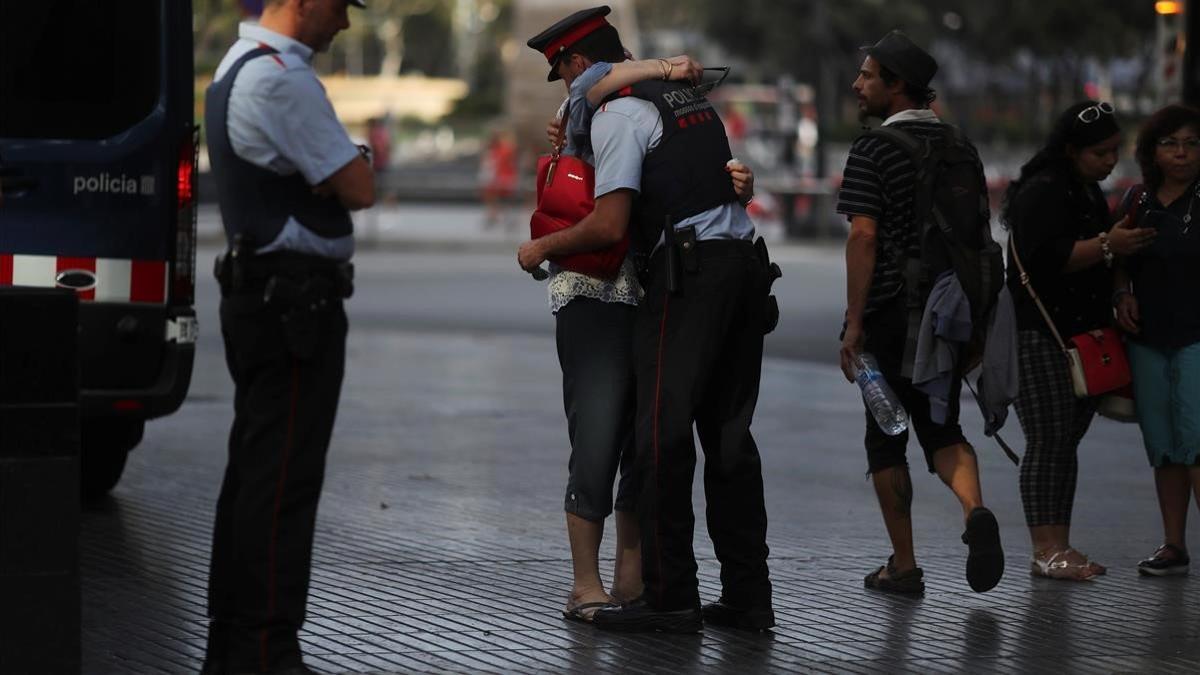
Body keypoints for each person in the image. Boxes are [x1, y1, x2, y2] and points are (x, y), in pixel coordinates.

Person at [520, 5, 774, 634]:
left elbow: (609, 224)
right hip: (744, 266)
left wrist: (540, 248)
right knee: (731, 440)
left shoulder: (619, 115)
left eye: (566, 76)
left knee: (660, 438)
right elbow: (714, 183)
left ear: (580, 66)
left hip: (691, 277)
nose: (568, 93)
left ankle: (669, 597)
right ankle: (747, 595)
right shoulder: (687, 100)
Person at [201, 1, 374, 672]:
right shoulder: (281, 79)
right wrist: (344, 163)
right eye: (339, 5)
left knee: (253, 473)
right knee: (282, 482)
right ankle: (267, 648)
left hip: (262, 296)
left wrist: (331, 169)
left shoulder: (235, 66)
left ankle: (235, 641)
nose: (345, 22)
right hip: (294, 305)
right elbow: (358, 185)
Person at [836, 30, 1004, 595]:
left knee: (886, 434)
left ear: (896, 85)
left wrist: (854, 325)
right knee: (942, 425)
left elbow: (863, 238)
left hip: (888, 314)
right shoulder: (962, 147)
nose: (857, 84)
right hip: (949, 313)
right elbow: (978, 238)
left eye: (867, 75)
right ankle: (975, 510)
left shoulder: (874, 150)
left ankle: (903, 565)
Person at [1003, 100, 1153, 581]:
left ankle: (1060, 545)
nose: (1110, 162)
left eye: (1114, 151)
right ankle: (1046, 548)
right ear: (1071, 150)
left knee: (1064, 443)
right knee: (1048, 442)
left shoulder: (1086, 191)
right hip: (1039, 337)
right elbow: (1049, 259)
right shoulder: (1044, 192)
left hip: (1079, 338)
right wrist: (1112, 244)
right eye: (1100, 153)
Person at [1114, 104, 1200, 576]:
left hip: (1196, 336)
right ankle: (1173, 545)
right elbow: (1119, 257)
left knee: (1198, 443)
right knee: (1165, 447)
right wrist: (1121, 292)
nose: (1182, 153)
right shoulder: (1137, 200)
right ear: (1153, 150)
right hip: (1147, 339)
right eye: (1170, 143)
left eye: (1191, 143)